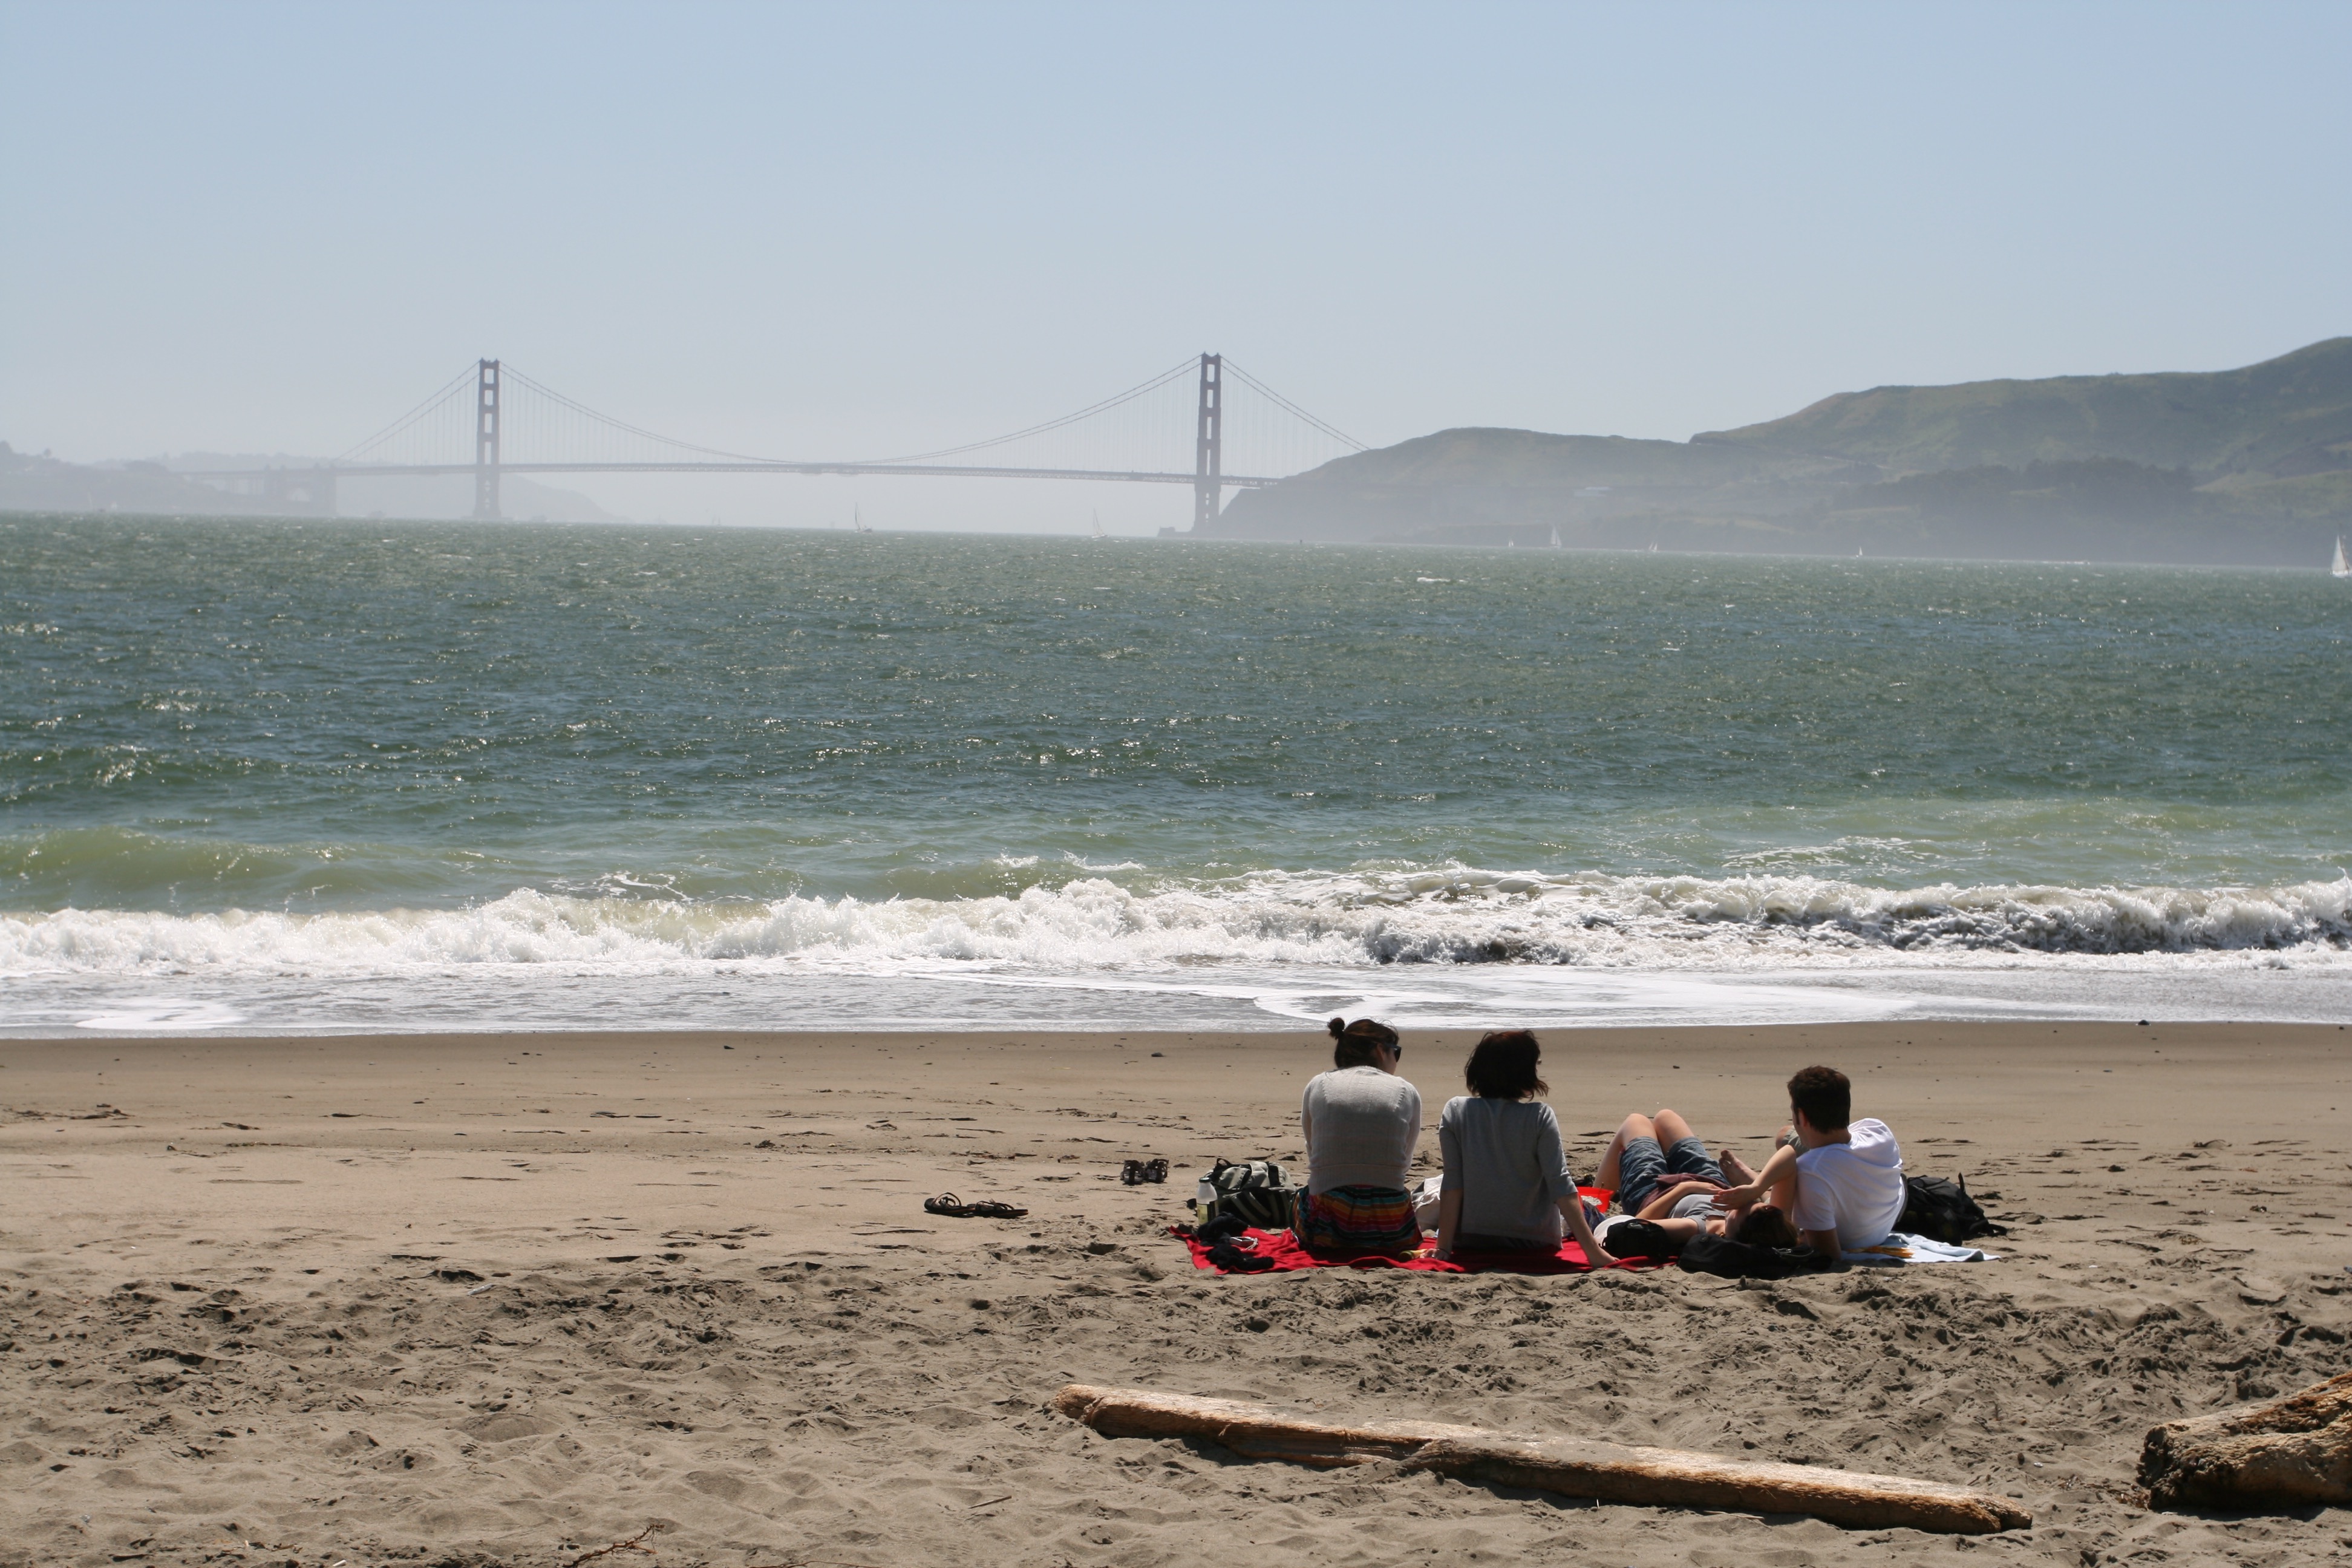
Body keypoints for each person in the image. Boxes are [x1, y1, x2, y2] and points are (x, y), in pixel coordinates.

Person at [1431, 1031, 1616, 1266]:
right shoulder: (1540, 1116)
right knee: (1592, 1213)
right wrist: (1593, 1253)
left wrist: (1444, 1247)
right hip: (1532, 1239)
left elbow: (1453, 1183)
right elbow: (1560, 1184)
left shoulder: (1455, 1110)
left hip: (1471, 1238)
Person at [1708, 1065, 1904, 1259]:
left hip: (1855, 1235)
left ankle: (1761, 1186)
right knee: (1785, 1135)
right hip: (1885, 1220)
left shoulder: (1810, 1171)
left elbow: (1828, 1253)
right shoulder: (1877, 1129)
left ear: (1801, 1116)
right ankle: (1759, 1184)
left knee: (1786, 1191)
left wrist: (1757, 1189)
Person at [1293, 1018, 1423, 1255]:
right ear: (1380, 1050)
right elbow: (1404, 1161)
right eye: (1396, 1052)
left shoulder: (1318, 1084)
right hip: (1389, 1223)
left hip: (1327, 1225)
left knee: (1300, 1196)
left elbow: (1313, 1150)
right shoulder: (1406, 1090)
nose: (1396, 1060)